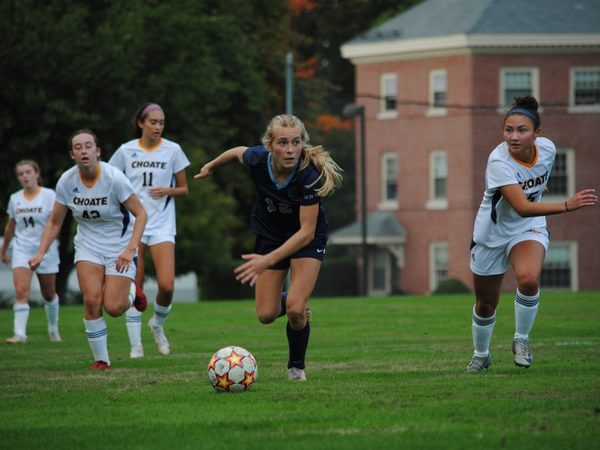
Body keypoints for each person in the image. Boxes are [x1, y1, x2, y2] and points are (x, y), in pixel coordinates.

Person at [195, 114, 343, 381]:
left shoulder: (307, 175)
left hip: (305, 240)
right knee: (266, 314)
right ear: (270, 145)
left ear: (302, 143)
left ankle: (296, 368)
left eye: (296, 142)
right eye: (283, 143)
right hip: (270, 236)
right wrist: (211, 166)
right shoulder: (257, 160)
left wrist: (267, 260)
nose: (290, 150)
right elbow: (237, 152)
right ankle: (288, 299)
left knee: (297, 310)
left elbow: (306, 232)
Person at [466, 96, 598, 373]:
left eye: (522, 130)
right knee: (486, 303)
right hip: (491, 234)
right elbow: (522, 206)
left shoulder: (548, 149)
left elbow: (532, 196)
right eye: (508, 130)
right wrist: (566, 205)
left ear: (537, 133)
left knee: (528, 279)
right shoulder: (498, 162)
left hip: (528, 227)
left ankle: (521, 340)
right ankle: (481, 354)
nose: (513, 137)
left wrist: (538, 192)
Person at [29, 130, 148, 369]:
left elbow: (141, 214)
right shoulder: (66, 181)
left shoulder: (114, 178)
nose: (84, 151)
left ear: (98, 151)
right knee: (92, 300)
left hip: (119, 246)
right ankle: (102, 360)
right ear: (72, 154)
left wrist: (131, 248)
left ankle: (133, 292)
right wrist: (41, 252)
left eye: (88, 146)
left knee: (114, 307)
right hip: (87, 246)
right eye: (78, 147)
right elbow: (54, 222)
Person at [109, 103, 190, 358]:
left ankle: (156, 325)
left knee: (167, 285)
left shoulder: (173, 150)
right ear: (141, 123)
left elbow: (184, 189)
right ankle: (136, 346)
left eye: (161, 122)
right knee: (135, 285)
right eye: (153, 122)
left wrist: (168, 190)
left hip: (162, 224)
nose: (158, 127)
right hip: (134, 225)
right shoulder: (125, 151)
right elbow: (108, 178)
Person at [2, 160, 61, 344]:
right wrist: (4, 250)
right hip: (22, 249)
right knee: (21, 291)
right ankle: (20, 334)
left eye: (28, 172)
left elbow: (56, 223)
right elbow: (10, 226)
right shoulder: (15, 198)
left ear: (37, 173)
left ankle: (53, 329)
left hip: (46, 250)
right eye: (20, 174)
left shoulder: (50, 195)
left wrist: (45, 248)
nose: (25, 176)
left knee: (48, 293)